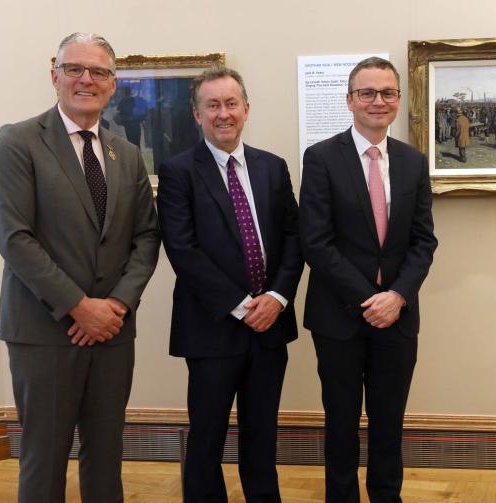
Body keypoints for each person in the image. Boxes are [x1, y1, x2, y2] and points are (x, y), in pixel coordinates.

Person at [0, 32, 160, 502]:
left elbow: (146, 235)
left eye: (99, 71)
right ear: (55, 75)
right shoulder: (17, 141)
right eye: (75, 69)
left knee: (107, 458)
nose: (87, 79)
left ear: (113, 84)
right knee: (44, 460)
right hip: (45, 332)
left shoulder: (123, 152)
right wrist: (79, 307)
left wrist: (117, 305)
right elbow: (15, 238)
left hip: (113, 333)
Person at [157, 65, 303, 502]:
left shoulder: (272, 168)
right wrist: (243, 305)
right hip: (212, 328)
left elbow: (296, 237)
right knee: (207, 437)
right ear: (197, 114)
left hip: (271, 325)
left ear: (246, 109)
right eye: (213, 105)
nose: (224, 113)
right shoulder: (179, 171)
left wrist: (276, 297)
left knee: (262, 435)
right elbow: (182, 250)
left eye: (231, 103)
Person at [300, 57, 438, 503]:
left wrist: (396, 296)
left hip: (397, 317)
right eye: (367, 93)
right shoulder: (321, 157)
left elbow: (424, 241)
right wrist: (370, 298)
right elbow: (316, 242)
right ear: (349, 100)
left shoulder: (414, 163)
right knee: (340, 422)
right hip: (339, 317)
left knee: (388, 422)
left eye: (387, 93)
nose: (378, 101)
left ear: (398, 99)